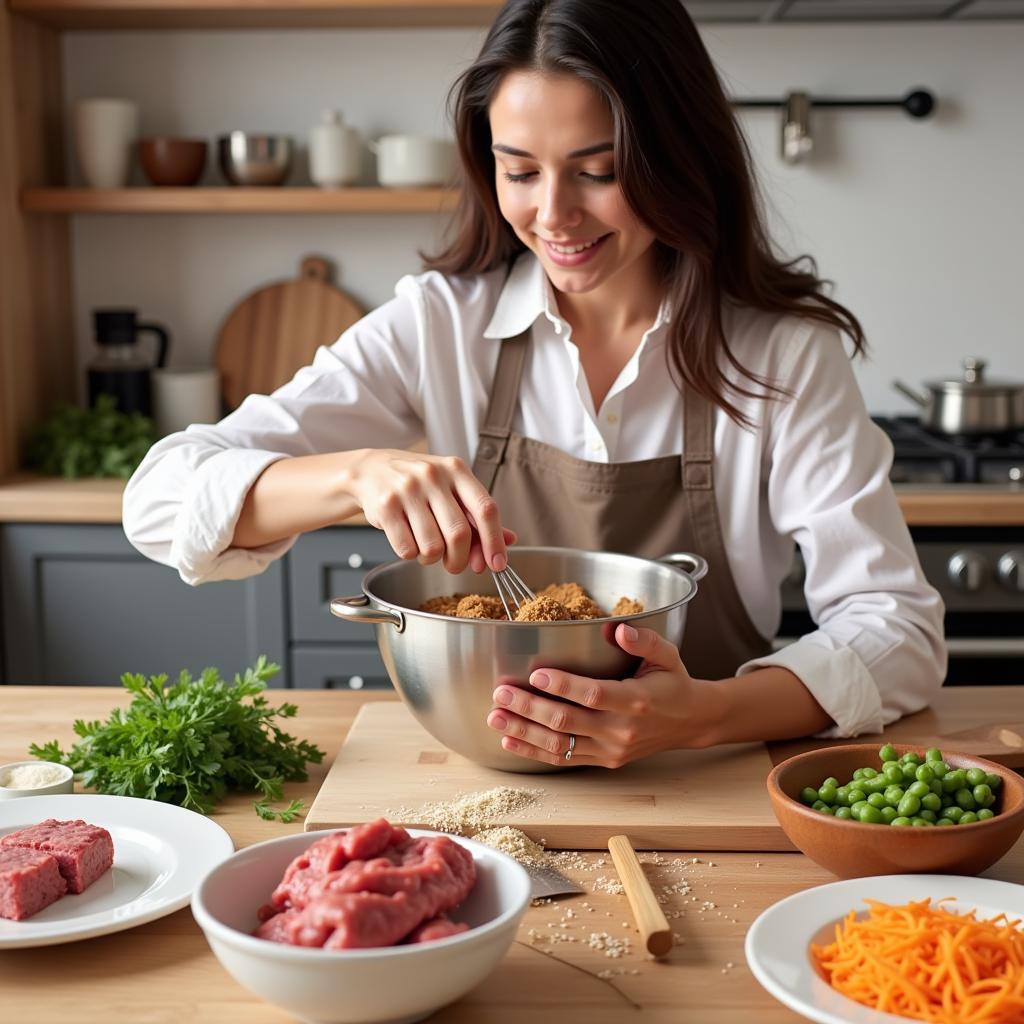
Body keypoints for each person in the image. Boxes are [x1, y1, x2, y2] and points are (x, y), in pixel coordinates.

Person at [123, 0, 945, 770]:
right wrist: (355, 475)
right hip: (480, 784)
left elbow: (898, 627)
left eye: (598, 170)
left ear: (676, 157)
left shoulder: (783, 354)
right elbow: (157, 498)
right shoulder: (440, 325)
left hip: (708, 783)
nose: (554, 215)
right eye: (519, 171)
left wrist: (706, 714)